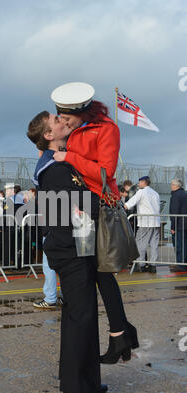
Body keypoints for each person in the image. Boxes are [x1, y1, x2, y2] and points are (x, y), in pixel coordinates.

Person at [27, 110, 116, 393]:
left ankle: (90, 379)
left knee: (87, 315)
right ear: (49, 136)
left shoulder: (64, 161)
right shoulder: (52, 169)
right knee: (78, 319)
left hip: (81, 245)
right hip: (70, 249)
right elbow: (69, 208)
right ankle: (75, 392)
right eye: (57, 120)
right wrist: (104, 197)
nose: (64, 121)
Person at [50, 82, 138, 364]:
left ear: (82, 112)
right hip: (82, 208)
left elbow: (105, 172)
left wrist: (70, 157)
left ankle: (120, 333)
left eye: (67, 118)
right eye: (60, 118)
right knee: (98, 274)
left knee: (101, 272)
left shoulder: (107, 128)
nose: (64, 122)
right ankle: (121, 332)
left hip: (99, 205)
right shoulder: (75, 129)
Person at [124, 176, 160, 273]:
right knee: (154, 244)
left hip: (145, 221)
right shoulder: (155, 193)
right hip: (156, 222)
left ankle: (141, 264)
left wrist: (124, 206)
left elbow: (131, 202)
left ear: (144, 182)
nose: (138, 184)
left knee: (140, 243)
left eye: (139, 182)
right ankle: (153, 265)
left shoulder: (141, 192)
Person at [169, 179, 187, 271]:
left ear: (176, 186)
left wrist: (173, 226)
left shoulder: (175, 195)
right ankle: (184, 264)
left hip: (180, 225)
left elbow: (175, 212)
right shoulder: (185, 194)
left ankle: (181, 265)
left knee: (179, 245)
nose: (170, 186)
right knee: (185, 245)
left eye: (172, 184)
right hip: (185, 224)